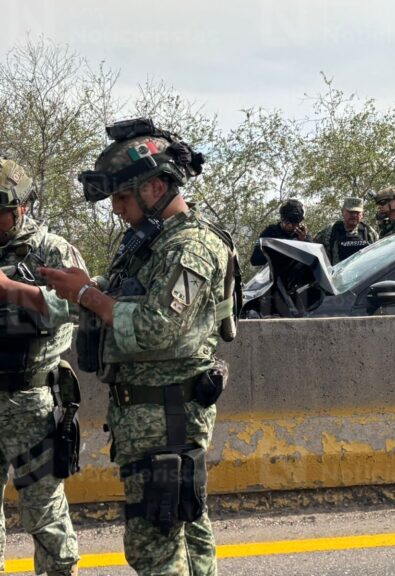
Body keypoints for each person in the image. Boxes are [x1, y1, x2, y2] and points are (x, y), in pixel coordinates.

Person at [41, 118, 239, 575]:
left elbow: (156, 329)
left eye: (122, 196)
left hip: (167, 416)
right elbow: (110, 298)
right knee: (185, 534)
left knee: (155, 546)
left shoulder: (189, 247)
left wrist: (86, 294)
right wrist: (62, 292)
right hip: (149, 418)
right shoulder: (150, 245)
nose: (115, 208)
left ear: (154, 187)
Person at [0, 157, 81, 575]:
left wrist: (15, 291)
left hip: (30, 401)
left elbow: (79, 307)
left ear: (22, 208)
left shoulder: (52, 250)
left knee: (44, 515)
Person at [314, 197, 378, 265]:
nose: (354, 215)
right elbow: (313, 248)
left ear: (362, 214)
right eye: (350, 212)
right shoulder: (331, 230)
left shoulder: (369, 232)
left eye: (357, 212)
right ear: (342, 211)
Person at [249, 199, 312, 266]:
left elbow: (312, 257)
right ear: (282, 219)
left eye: (294, 223)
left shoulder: (301, 234)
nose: (290, 226)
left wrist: (303, 241)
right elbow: (255, 260)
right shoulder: (270, 232)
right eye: (287, 222)